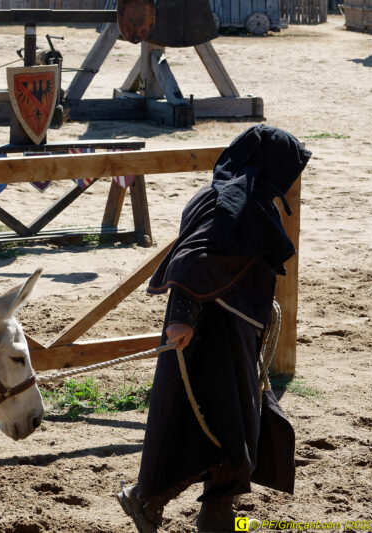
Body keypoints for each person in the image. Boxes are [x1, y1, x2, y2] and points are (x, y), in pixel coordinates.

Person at [117, 125, 312, 532]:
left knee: (232, 424)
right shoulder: (232, 200)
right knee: (218, 425)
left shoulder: (240, 197)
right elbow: (192, 257)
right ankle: (148, 499)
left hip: (232, 331)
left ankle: (213, 515)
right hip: (211, 334)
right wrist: (183, 315)